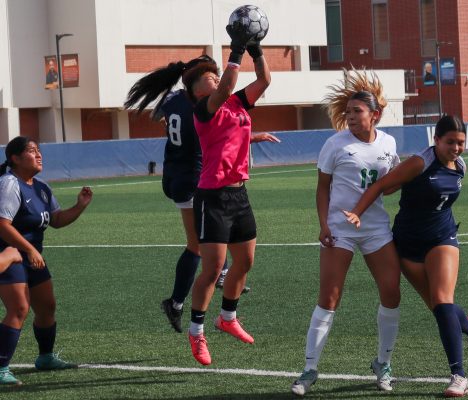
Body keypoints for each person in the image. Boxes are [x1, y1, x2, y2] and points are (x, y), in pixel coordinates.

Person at [125, 57, 278, 334]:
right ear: (196, 82)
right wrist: (250, 136)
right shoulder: (198, 106)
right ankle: (178, 301)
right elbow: (211, 135)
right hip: (193, 177)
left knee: (202, 242)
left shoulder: (173, 100)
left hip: (175, 171)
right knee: (197, 245)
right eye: (212, 75)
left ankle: (218, 275)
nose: (217, 79)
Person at [344, 115, 468, 398]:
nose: (457, 148)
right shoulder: (418, 163)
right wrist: (357, 213)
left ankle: (459, 376)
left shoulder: (460, 166)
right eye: (450, 142)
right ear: (436, 140)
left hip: (442, 238)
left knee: (444, 302)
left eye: (461, 142)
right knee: (437, 306)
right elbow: (380, 186)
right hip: (408, 244)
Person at [291, 69, 402, 396]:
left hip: (376, 229)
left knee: (392, 292)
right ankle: (309, 369)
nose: (351, 117)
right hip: (339, 230)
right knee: (329, 297)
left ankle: (383, 363)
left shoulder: (388, 143)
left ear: (375, 115)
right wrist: (324, 225)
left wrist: (407, 179)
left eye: (358, 112)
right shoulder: (335, 144)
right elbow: (322, 189)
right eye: (349, 112)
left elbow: (388, 185)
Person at [0, 136, 93, 386]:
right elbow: (2, 226)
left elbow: (57, 220)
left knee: (47, 308)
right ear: (15, 159)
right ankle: (0, 368)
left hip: (31, 256)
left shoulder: (41, 186)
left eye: (39, 151)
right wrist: (29, 249)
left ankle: (45, 357)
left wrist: (79, 206)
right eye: (31, 151)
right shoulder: (9, 183)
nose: (39, 155)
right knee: (18, 309)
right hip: (9, 256)